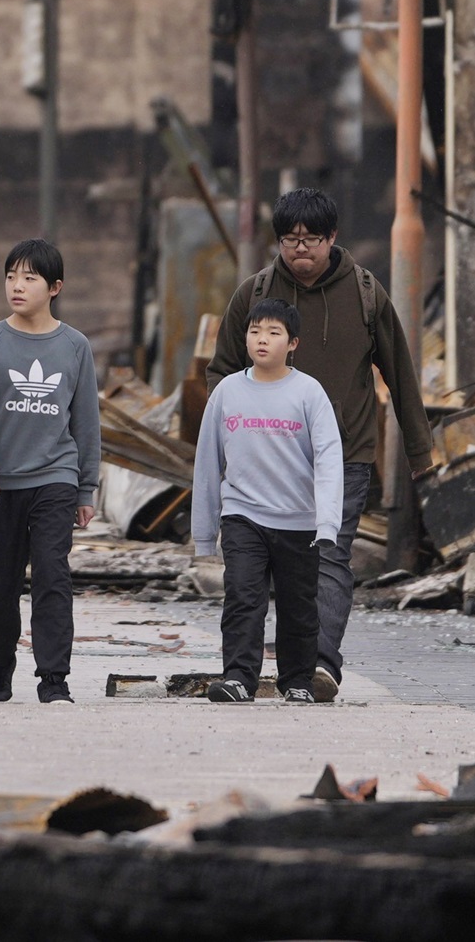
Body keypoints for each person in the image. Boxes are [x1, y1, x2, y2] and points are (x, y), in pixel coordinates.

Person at [205, 187, 434, 702]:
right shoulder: (255, 295)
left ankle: (319, 667)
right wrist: (227, 441)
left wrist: (419, 450)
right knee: (253, 569)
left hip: (344, 456)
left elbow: (399, 371)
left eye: (311, 239)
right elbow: (221, 373)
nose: (300, 249)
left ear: (332, 238)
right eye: (290, 240)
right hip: (265, 460)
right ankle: (244, 670)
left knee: (328, 557)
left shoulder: (366, 294)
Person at [0, 238, 100, 705]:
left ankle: (54, 677)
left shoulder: (75, 347)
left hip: (55, 477)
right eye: (10, 276)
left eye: (29, 278)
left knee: (52, 576)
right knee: (0, 582)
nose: (16, 286)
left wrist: (86, 488)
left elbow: (86, 422)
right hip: (0, 485)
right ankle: (0, 660)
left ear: (55, 287)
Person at [193, 298, 344, 704]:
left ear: (292, 343)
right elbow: (207, 461)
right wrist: (204, 535)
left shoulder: (309, 393)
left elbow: (329, 459)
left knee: (298, 606)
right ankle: (239, 678)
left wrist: (327, 521)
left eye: (274, 332)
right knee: (243, 597)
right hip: (243, 514)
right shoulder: (227, 392)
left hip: (299, 521)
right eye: (255, 331)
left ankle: (296, 681)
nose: (262, 339)